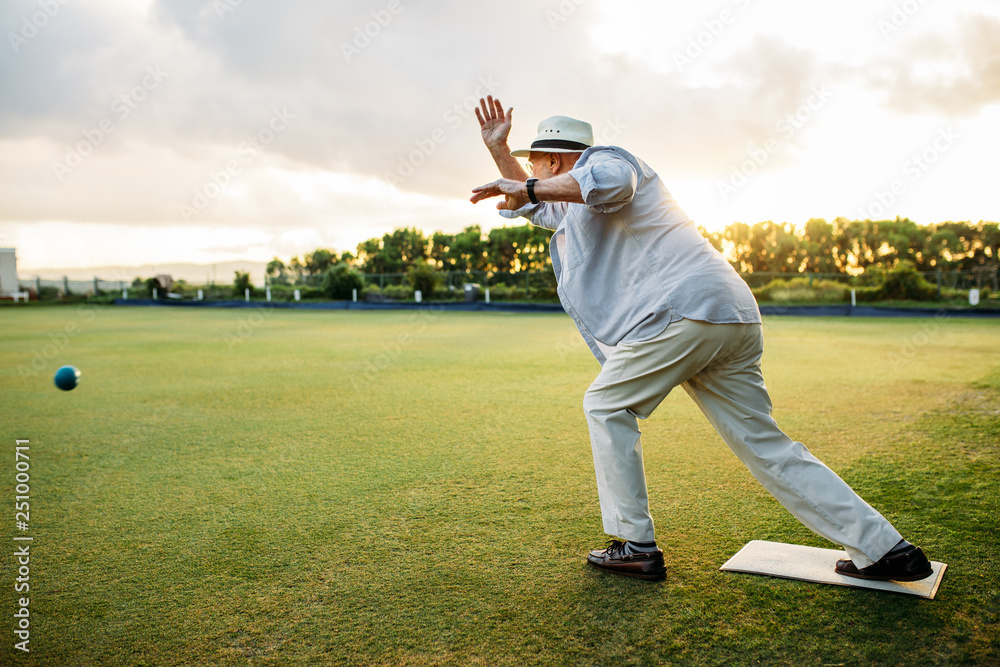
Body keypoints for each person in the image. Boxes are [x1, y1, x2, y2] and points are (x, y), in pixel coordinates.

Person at [469, 96, 933, 583]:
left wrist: (526, 183)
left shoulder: (607, 159)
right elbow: (529, 202)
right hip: (727, 316)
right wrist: (501, 152)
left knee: (605, 404)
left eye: (533, 161)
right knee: (764, 443)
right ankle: (886, 548)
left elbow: (597, 183)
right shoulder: (570, 205)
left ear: (555, 160)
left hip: (681, 312)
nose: (528, 169)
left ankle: (635, 546)